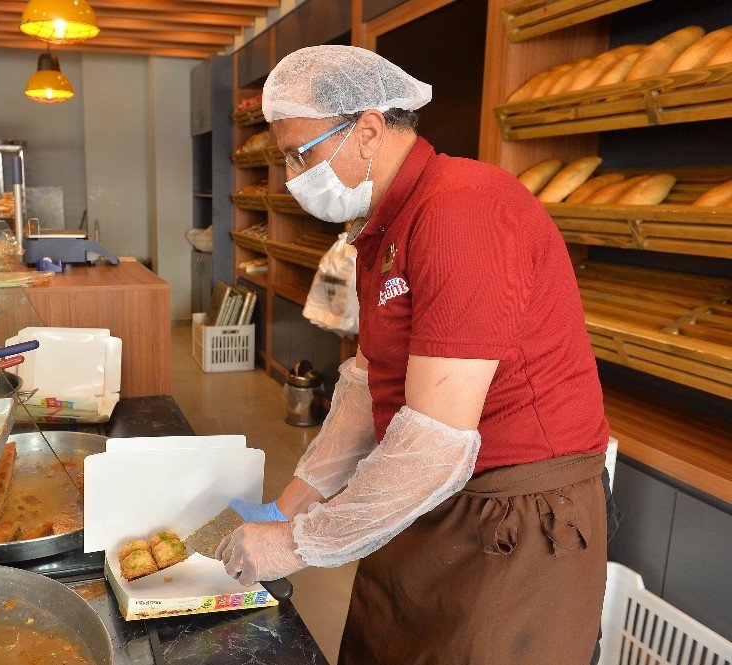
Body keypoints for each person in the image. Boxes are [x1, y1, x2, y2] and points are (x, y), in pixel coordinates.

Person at [216, 45, 620, 664]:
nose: (294, 176)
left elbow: (434, 442)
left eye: (302, 153)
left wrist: (296, 544)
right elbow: (368, 385)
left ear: (368, 130)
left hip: (517, 517)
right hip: (431, 492)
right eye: (285, 158)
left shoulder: (463, 210)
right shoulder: (383, 224)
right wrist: (291, 503)